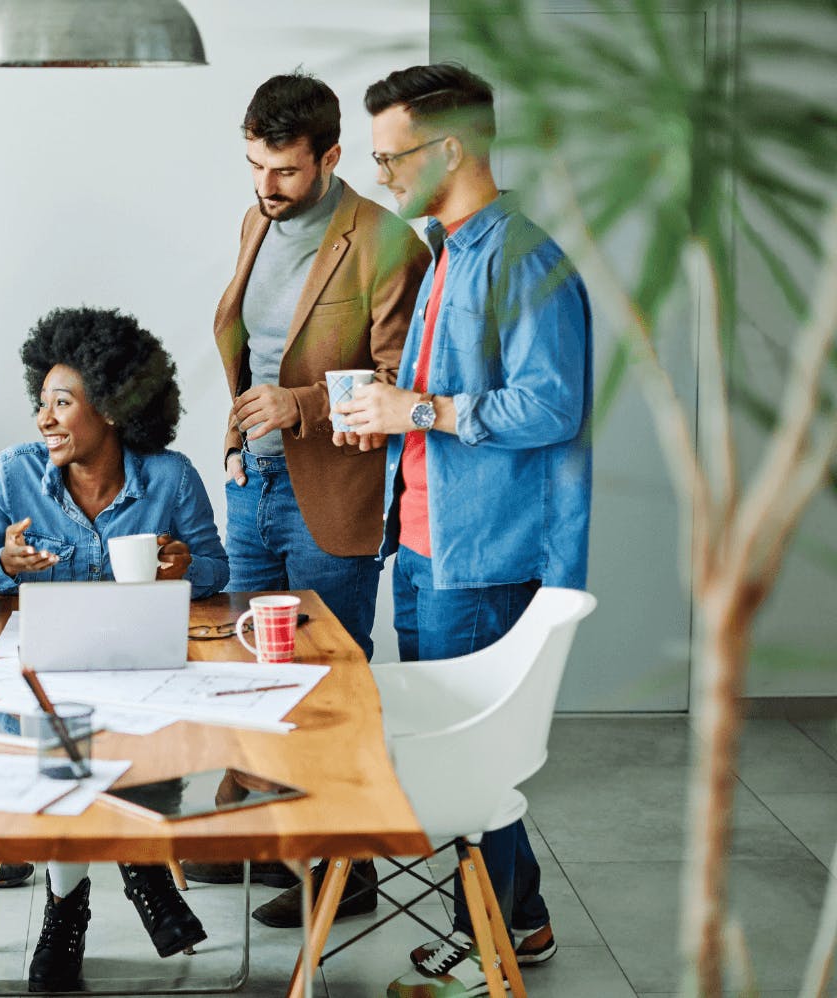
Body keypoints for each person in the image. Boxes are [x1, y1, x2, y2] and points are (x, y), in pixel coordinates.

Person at [340, 63, 592, 995]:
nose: (381, 177)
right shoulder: (448, 251)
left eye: (392, 156)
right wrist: (395, 414)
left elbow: (552, 403)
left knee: (474, 756)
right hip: (423, 540)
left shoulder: (522, 257)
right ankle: (513, 921)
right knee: (458, 749)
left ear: (451, 148)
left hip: (481, 553)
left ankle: (493, 931)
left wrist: (426, 409)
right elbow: (435, 405)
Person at [196, 71, 429, 928]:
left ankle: (347, 866)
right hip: (253, 481)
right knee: (253, 670)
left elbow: (404, 380)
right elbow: (253, 343)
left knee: (329, 679)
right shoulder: (257, 220)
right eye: (255, 165)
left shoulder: (387, 241)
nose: (266, 186)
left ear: (331, 157)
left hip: (332, 491)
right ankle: (266, 835)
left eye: (286, 170)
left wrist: (302, 406)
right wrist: (243, 433)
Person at [0, 306, 227, 992]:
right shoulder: (14, 475)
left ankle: (75, 904)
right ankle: (121, 882)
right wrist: (1, 564)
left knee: (121, 739)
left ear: (115, 408)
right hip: (45, 689)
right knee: (66, 740)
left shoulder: (171, 478)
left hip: (142, 680)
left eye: (63, 403)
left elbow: (218, 571)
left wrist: (186, 562)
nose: (45, 419)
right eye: (43, 403)